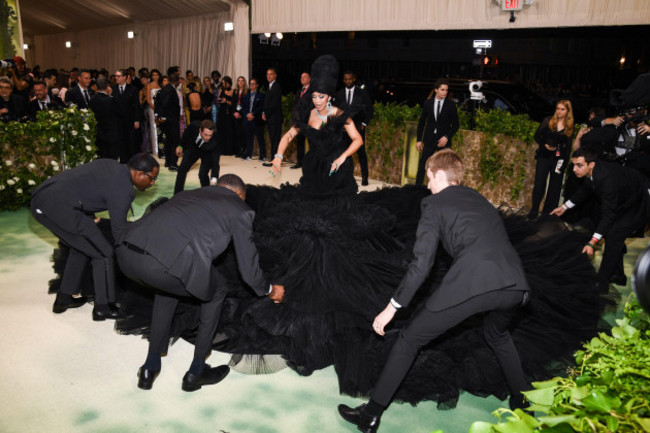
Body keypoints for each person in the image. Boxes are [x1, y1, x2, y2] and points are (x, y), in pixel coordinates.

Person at [338, 149, 531, 432]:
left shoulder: (433, 204)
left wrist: (391, 307)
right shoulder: (479, 198)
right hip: (517, 285)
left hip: (473, 283)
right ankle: (523, 400)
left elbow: (422, 264)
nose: (427, 185)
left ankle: (371, 414)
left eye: (429, 177)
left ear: (439, 174)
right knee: (498, 334)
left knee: (409, 340)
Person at [115, 174, 285, 391]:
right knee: (217, 290)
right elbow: (249, 271)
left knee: (166, 289)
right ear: (240, 195)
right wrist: (270, 290)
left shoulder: (190, 193)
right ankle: (196, 371)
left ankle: (150, 366)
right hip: (162, 265)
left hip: (127, 255)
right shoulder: (241, 209)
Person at [31, 153, 159, 320]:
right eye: (152, 178)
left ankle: (63, 298)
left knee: (82, 247)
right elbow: (118, 232)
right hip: (58, 207)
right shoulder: (123, 189)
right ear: (139, 173)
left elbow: (85, 185)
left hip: (43, 199)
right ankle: (103, 307)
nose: (152, 183)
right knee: (103, 252)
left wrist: (90, 217)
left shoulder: (112, 164)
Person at [551, 147, 650, 292]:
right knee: (613, 235)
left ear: (591, 164)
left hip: (642, 201)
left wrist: (592, 242)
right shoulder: (592, 173)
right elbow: (585, 190)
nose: (575, 169)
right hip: (628, 199)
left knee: (615, 234)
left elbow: (608, 214)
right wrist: (565, 207)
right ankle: (618, 275)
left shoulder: (605, 179)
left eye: (579, 165)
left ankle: (601, 284)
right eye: (574, 165)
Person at [528, 100, 574, 219]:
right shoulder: (548, 120)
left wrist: (564, 164)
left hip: (559, 159)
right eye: (558, 108)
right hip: (544, 156)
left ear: (568, 111)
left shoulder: (569, 126)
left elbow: (568, 148)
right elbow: (537, 136)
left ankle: (548, 215)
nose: (559, 111)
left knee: (555, 187)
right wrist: (545, 145)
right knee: (539, 184)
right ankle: (534, 211)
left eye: (562, 109)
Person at [414, 79, 459, 185]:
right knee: (422, 165)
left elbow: (456, 125)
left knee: (446, 168)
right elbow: (421, 122)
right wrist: (419, 140)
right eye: (442, 90)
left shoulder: (450, 105)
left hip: (443, 141)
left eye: (446, 90)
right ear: (436, 90)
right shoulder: (428, 103)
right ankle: (417, 190)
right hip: (429, 139)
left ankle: (445, 192)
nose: (445, 92)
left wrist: (447, 137)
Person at [335, 70, 374, 185]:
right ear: (343, 80)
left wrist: (364, 123)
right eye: (346, 79)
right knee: (346, 153)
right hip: (344, 129)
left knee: (361, 153)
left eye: (350, 79)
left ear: (354, 79)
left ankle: (364, 177)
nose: (348, 81)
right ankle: (346, 177)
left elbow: (370, 109)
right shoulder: (340, 93)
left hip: (358, 128)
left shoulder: (362, 92)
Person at [173, 119, 221, 194]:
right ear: (200, 130)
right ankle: (177, 194)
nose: (208, 137)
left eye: (210, 135)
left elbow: (215, 162)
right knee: (182, 169)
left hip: (208, 152)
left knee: (202, 174)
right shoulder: (193, 126)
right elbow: (186, 134)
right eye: (205, 134)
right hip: (193, 148)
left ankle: (207, 193)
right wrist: (180, 146)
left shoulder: (216, 140)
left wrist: (214, 179)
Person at [155, 67, 181, 171]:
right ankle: (173, 164)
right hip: (171, 119)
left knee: (168, 141)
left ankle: (168, 161)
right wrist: (163, 116)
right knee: (174, 141)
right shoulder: (171, 90)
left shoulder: (163, 89)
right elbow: (165, 104)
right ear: (177, 81)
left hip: (166, 120)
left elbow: (157, 103)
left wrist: (159, 116)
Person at [89, 77, 121, 159]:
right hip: (111, 134)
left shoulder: (92, 100)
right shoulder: (111, 100)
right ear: (107, 86)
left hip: (98, 134)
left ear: (96, 86)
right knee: (112, 159)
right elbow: (119, 113)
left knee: (100, 159)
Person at [261, 68, 283, 166]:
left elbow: (274, 104)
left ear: (275, 75)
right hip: (270, 118)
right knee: (272, 140)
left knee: (275, 140)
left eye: (271, 74)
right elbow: (266, 103)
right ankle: (273, 159)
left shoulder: (276, 87)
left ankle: (275, 160)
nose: (268, 76)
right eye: (267, 74)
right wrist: (263, 112)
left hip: (275, 118)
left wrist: (266, 113)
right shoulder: (269, 87)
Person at [290, 72, 311, 169]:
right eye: (301, 77)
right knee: (300, 143)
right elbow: (295, 106)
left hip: (309, 122)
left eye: (305, 77)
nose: (302, 78)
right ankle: (300, 162)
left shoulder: (312, 91)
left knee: (312, 143)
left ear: (309, 79)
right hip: (299, 122)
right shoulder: (299, 91)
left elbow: (312, 107)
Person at [241, 77, 265, 160]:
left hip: (257, 119)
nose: (252, 85)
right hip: (248, 120)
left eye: (253, 84)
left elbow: (261, 107)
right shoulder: (246, 96)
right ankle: (248, 155)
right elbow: (243, 107)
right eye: (250, 84)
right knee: (249, 138)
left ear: (257, 85)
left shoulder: (261, 95)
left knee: (260, 138)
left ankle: (262, 156)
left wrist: (253, 114)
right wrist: (247, 114)